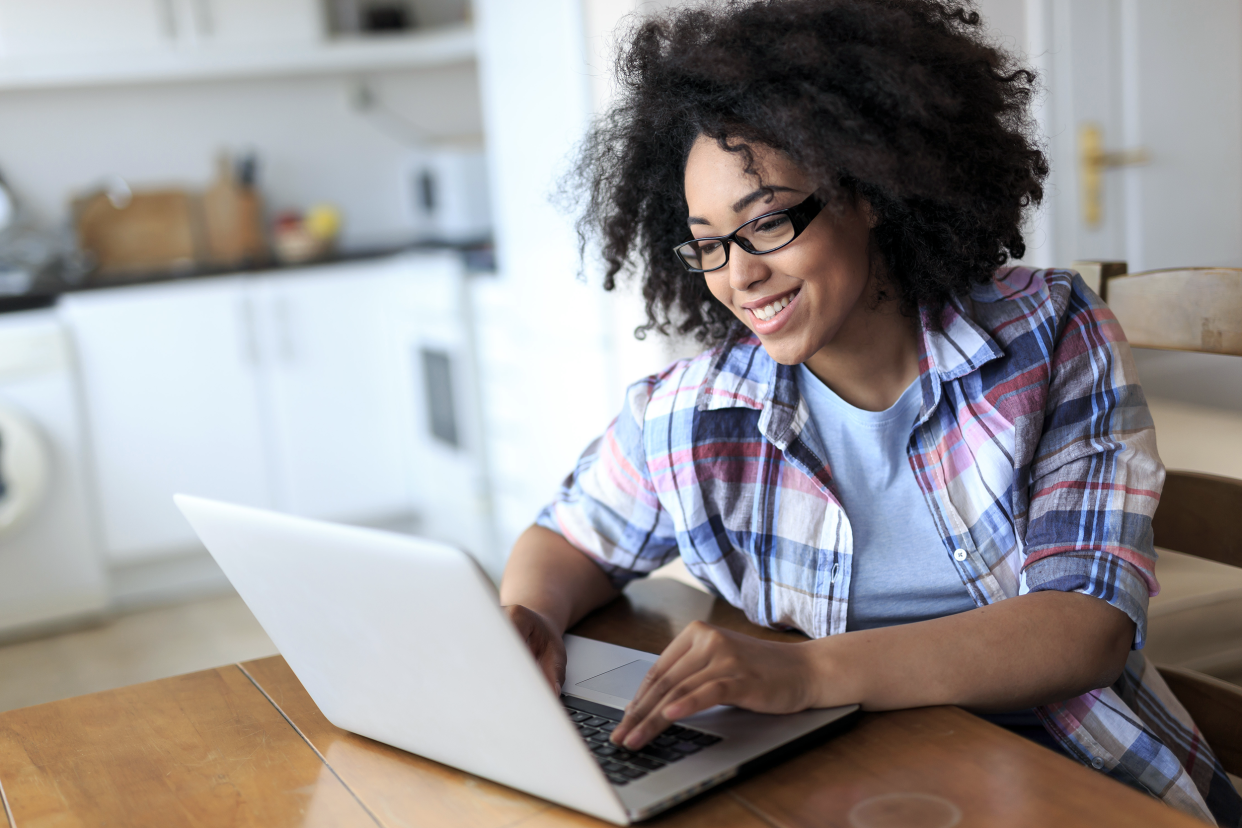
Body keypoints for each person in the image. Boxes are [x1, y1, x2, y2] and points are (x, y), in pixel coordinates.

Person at [497, 1, 1241, 824]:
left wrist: (808, 674)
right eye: (708, 242)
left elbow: (1085, 628)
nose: (738, 277)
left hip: (1069, 773)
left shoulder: (1049, 334)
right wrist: (528, 620)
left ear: (869, 189)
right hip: (848, 773)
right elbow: (569, 537)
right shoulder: (697, 411)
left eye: (768, 222)